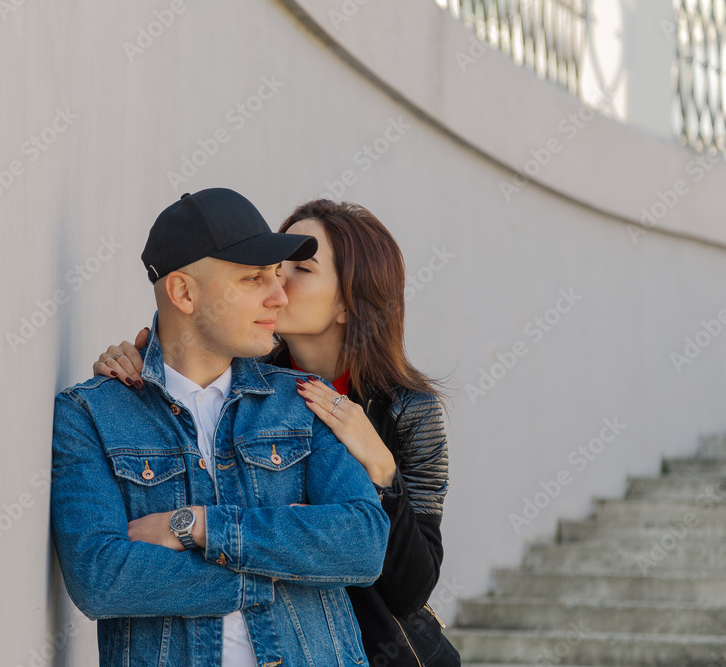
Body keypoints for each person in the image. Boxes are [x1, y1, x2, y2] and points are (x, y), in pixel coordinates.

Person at [95, 199, 458, 666]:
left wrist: (383, 472)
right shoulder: (248, 383)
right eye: (269, 267)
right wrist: (136, 364)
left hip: (384, 651)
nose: (276, 283)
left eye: (300, 270)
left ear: (349, 302)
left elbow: (412, 586)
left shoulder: (410, 410)